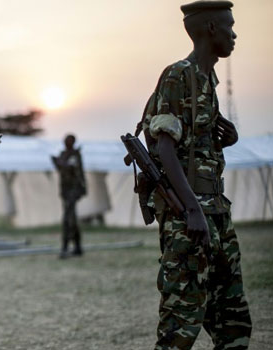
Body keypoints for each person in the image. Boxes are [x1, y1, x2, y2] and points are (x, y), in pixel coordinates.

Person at [142, 1, 251, 348]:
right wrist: (191, 210)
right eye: (229, 27)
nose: (235, 35)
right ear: (211, 29)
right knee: (181, 325)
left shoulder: (207, 81)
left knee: (233, 320)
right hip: (190, 216)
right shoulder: (179, 75)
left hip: (216, 209)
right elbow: (164, 149)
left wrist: (226, 141)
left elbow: (194, 147)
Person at [51, 134, 86, 258]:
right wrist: (56, 161)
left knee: (67, 219)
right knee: (71, 218)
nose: (66, 143)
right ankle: (77, 247)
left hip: (73, 190)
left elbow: (73, 168)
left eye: (69, 141)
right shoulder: (63, 154)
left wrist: (60, 162)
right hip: (65, 190)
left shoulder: (75, 155)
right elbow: (60, 169)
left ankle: (65, 247)